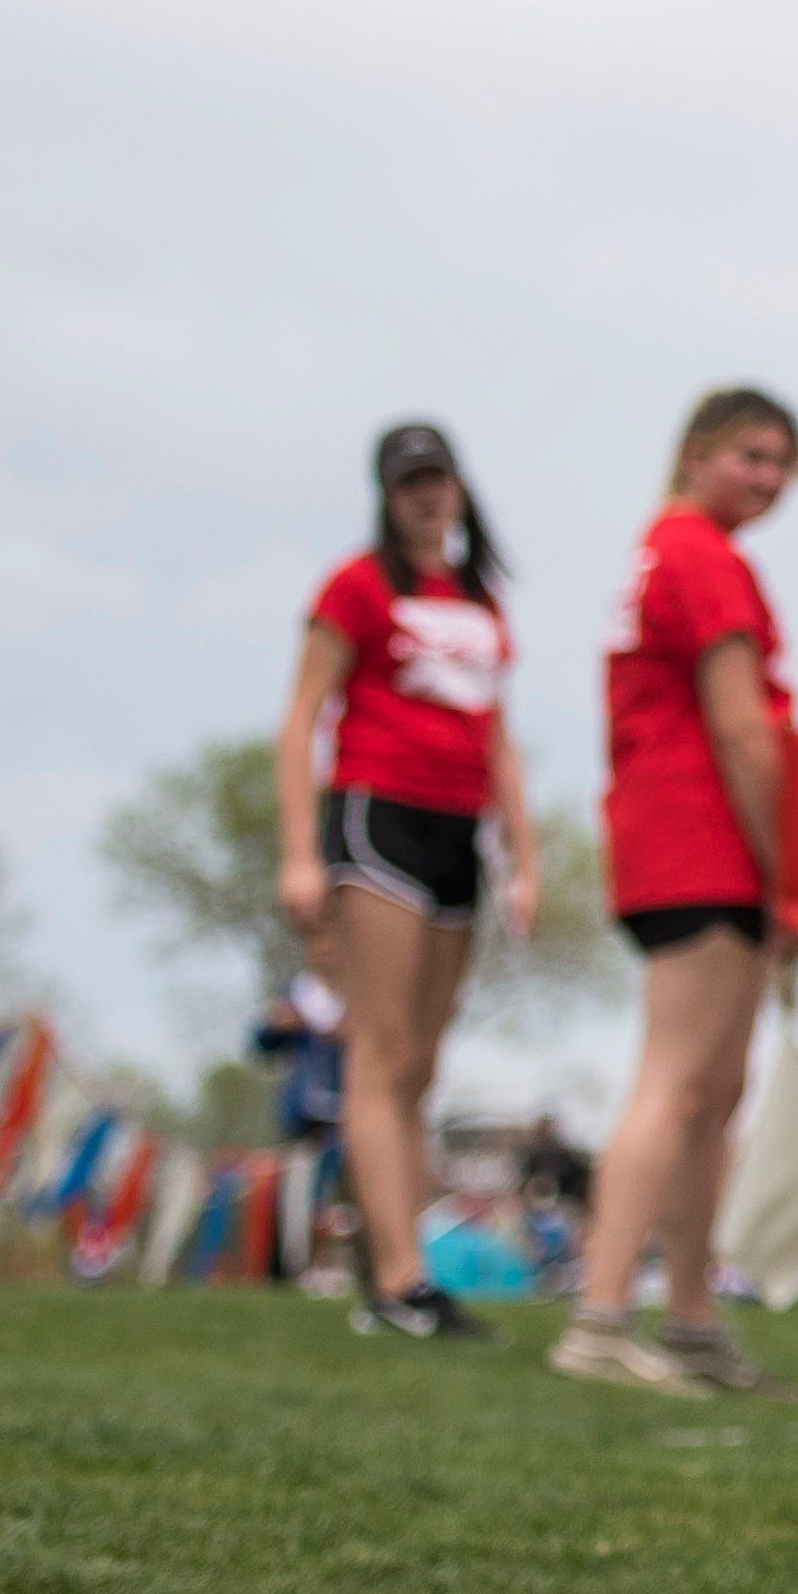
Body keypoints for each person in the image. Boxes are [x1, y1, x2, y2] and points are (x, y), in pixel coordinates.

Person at [552, 387, 798, 1398]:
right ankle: (601, 1314)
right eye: (751, 455)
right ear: (696, 453)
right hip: (700, 842)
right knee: (673, 1080)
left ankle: (691, 1318)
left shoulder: (675, 550)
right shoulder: (699, 553)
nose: (769, 478)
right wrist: (792, 873)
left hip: (690, 844)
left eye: (783, 463)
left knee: (713, 1093)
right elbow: (744, 731)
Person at [267, 421, 536, 1341]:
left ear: (461, 488)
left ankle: (391, 1255)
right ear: (387, 494)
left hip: (459, 832)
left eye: (439, 478)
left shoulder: (479, 600)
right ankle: (397, 1282)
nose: (427, 495)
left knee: (419, 1062)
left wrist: (526, 860)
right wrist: (301, 853)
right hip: (376, 816)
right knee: (378, 1053)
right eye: (409, 481)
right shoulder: (356, 586)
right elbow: (301, 716)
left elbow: (501, 742)